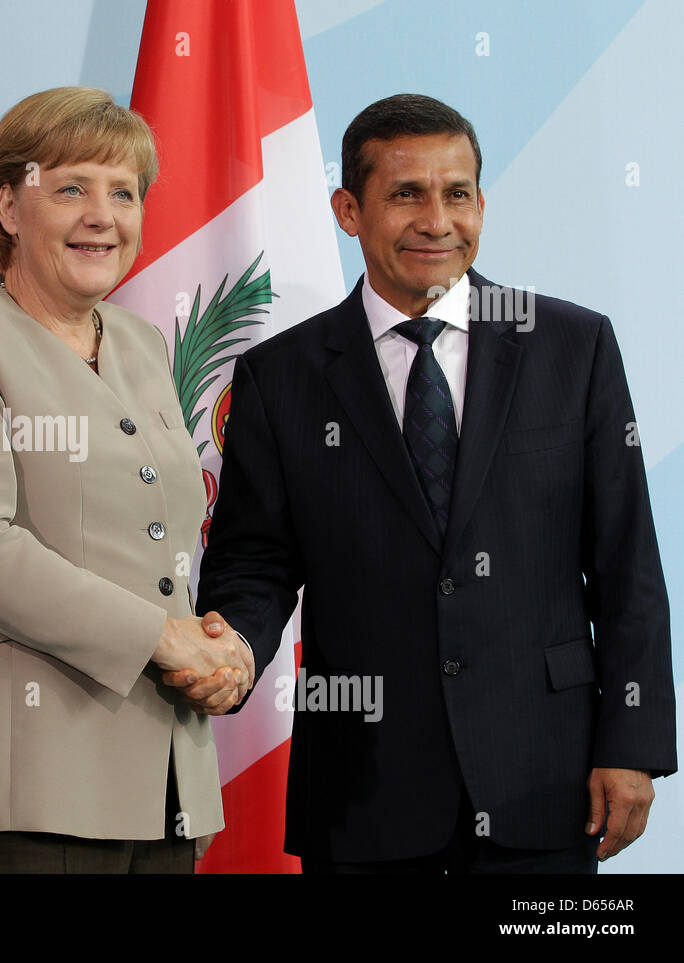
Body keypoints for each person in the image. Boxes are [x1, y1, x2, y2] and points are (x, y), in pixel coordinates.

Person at [191, 93, 676, 873]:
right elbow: (256, 562)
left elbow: (626, 562)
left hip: (546, 777)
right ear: (348, 209)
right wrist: (234, 646)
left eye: (457, 193)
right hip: (363, 790)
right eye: (406, 194)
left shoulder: (572, 344)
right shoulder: (280, 376)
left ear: (482, 202)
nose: (437, 220)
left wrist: (634, 744)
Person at [0, 86, 252, 874]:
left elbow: (158, 542)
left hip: (161, 789)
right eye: (72, 187)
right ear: (9, 206)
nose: (102, 215)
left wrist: (221, 651)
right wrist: (159, 635)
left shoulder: (145, 344)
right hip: (8, 796)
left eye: (123, 193)